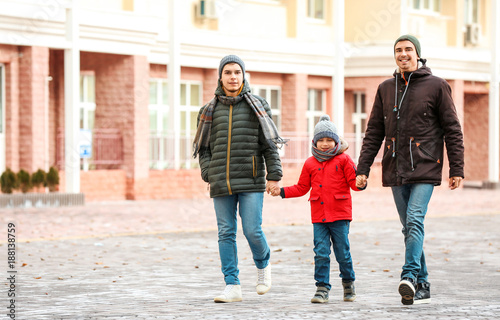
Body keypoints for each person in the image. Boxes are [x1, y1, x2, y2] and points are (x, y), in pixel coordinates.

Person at [355, 35, 465, 305]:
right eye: (398, 50)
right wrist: (363, 168)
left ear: (418, 54)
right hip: (395, 168)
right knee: (409, 227)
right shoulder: (385, 88)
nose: (403, 54)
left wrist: (457, 168)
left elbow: (453, 129)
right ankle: (422, 283)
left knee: (415, 220)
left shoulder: (437, 86)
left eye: (408, 49)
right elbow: (373, 132)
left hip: (426, 166)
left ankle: (409, 276)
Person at [193, 55, 286, 303]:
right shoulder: (208, 111)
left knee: (252, 230)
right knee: (226, 232)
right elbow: (204, 149)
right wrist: (207, 172)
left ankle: (263, 263)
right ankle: (232, 285)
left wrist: (274, 176)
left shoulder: (258, 105)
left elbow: (269, 144)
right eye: (228, 72)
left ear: (243, 75)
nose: (233, 77)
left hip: (252, 179)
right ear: (220, 77)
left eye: (237, 72)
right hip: (221, 181)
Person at [270, 115, 364, 303]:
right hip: (319, 216)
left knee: (342, 252)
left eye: (329, 140)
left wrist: (361, 182)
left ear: (336, 141)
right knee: (321, 252)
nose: (325, 144)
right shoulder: (310, 163)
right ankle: (322, 288)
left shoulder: (344, 160)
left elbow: (354, 184)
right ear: (314, 141)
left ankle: (348, 283)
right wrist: (281, 191)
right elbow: (302, 188)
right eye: (321, 140)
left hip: (340, 215)